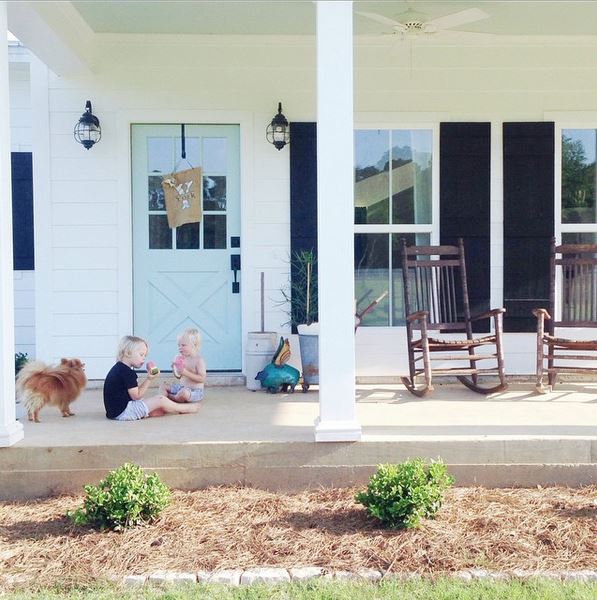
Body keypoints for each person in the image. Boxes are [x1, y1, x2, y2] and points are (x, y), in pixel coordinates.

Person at [103, 335, 200, 421]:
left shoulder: (119, 368)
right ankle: (184, 409)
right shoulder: (128, 373)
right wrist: (149, 379)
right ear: (128, 353)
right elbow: (136, 396)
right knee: (160, 399)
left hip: (115, 412)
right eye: (141, 355)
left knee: (158, 408)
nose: (143, 358)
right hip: (123, 412)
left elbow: (132, 395)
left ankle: (153, 410)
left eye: (145, 355)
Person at [163, 328, 206, 404]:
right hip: (182, 388)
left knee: (184, 394)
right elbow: (179, 377)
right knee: (163, 386)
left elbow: (202, 379)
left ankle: (170, 398)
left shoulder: (198, 360)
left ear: (194, 345)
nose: (180, 347)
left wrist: (186, 373)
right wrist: (175, 369)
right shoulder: (182, 358)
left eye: (183, 345)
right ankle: (162, 400)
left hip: (194, 391)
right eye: (178, 345)